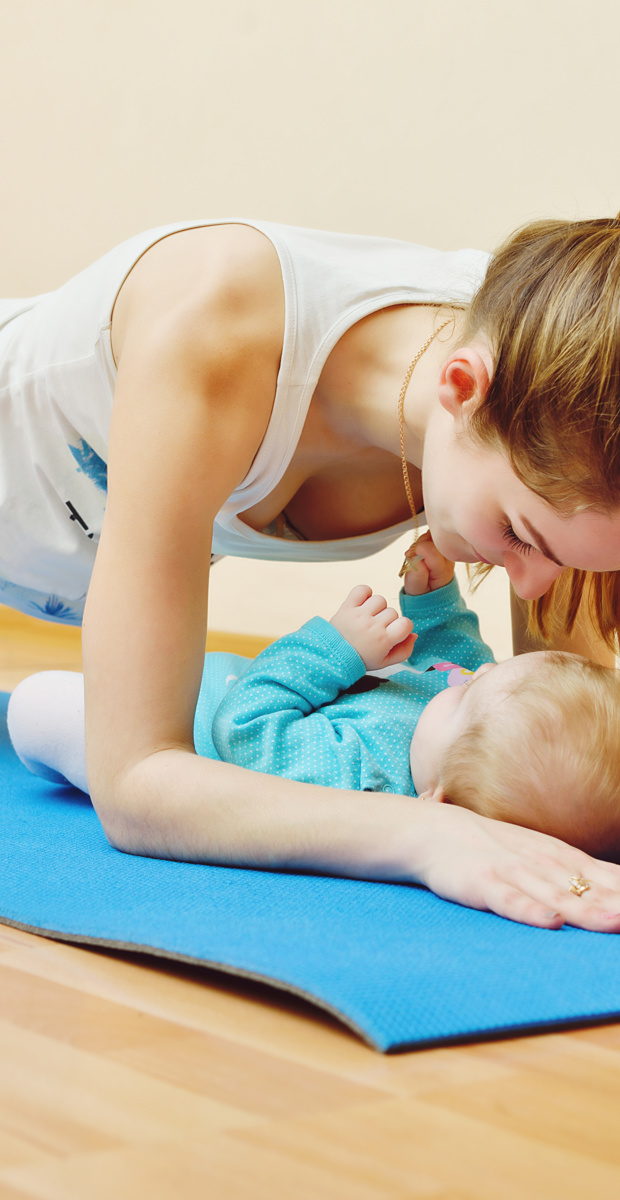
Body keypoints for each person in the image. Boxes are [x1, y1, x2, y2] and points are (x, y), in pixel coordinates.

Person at [3, 214, 620, 931]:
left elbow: (579, 739)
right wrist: (424, 833)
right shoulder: (214, 322)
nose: (534, 589)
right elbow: (134, 783)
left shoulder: (573, 406)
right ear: (463, 387)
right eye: (517, 535)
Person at [9, 534, 620, 867]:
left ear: (441, 804)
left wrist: (336, 647)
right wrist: (431, 599)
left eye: (470, 694)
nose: (474, 673)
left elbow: (244, 727)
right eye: (497, 671)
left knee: (36, 704)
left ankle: (60, 754)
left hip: (186, 733)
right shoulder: (464, 710)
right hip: (194, 677)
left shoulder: (359, 776)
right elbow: (452, 654)